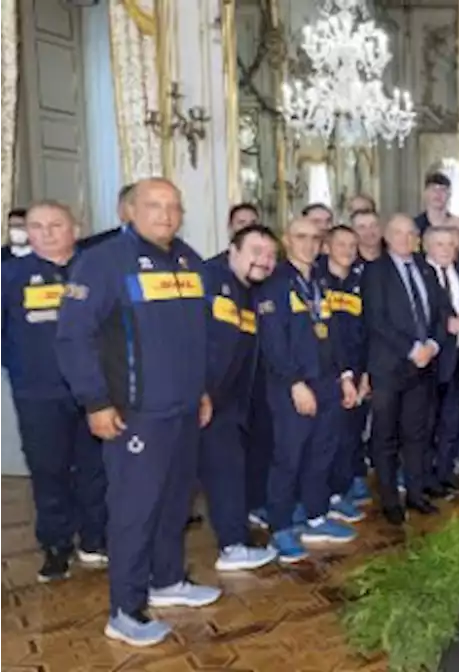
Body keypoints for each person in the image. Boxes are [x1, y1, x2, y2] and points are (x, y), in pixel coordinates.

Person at [56, 178, 216, 647]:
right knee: (134, 511)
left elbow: (194, 337)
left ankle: (168, 581)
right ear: (129, 210)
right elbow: (72, 337)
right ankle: (124, 610)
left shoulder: (189, 260)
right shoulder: (102, 262)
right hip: (135, 415)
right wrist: (96, 401)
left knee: (174, 505)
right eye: (154, 205)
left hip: (185, 410)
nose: (165, 215)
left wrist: (201, 390)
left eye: (173, 206)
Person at [0, 202, 106, 582]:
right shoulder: (9, 275)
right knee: (49, 470)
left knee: (96, 468)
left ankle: (95, 539)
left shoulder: (96, 271)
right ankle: (56, 544)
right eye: (37, 226)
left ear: (74, 228)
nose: (46, 233)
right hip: (38, 394)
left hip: (95, 391)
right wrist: (20, 367)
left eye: (55, 225)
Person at [257, 217, 361, 561]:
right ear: (286, 239)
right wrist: (294, 383)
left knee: (322, 453)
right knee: (289, 457)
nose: (309, 243)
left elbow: (331, 335)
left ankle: (316, 516)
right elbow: (273, 342)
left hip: (327, 382)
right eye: (301, 237)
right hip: (294, 386)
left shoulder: (318, 280)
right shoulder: (274, 284)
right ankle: (281, 528)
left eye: (315, 238)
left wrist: (345, 376)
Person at [198, 224, 280, 572]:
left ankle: (234, 540)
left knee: (227, 473)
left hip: (231, 403)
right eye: (256, 251)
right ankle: (231, 546)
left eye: (271, 255)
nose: (264, 260)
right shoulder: (207, 281)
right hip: (201, 401)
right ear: (232, 250)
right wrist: (198, 390)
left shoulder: (252, 293)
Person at [362, 215, 446, 522]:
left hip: (423, 367)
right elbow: (377, 320)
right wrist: (412, 350)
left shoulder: (425, 268)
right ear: (387, 236)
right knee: (385, 437)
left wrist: (433, 346)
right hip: (389, 366)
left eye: (411, 233)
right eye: (398, 233)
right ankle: (389, 501)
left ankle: (415, 493)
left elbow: (439, 313)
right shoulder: (375, 271)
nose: (406, 238)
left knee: (416, 434)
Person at [423, 227, 459, 497]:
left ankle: (445, 472)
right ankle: (426, 477)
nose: (446, 249)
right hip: (433, 359)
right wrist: (445, 325)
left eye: (450, 244)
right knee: (428, 422)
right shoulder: (422, 275)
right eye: (439, 244)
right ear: (427, 246)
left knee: (451, 420)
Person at [321, 225, 371, 518]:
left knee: (350, 435)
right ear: (327, 246)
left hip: (357, 370)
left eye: (353, 245)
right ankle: (324, 498)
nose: (348, 250)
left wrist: (364, 374)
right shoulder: (316, 282)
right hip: (328, 374)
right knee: (328, 439)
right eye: (341, 244)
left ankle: (340, 492)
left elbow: (366, 331)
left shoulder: (359, 282)